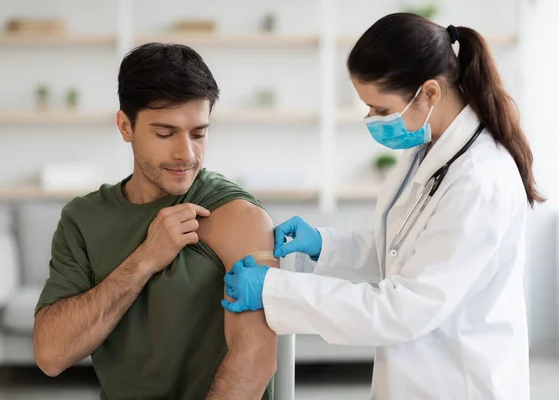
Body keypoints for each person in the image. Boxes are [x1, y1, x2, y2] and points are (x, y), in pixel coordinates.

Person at [222, 13, 543, 400]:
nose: (372, 120)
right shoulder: (427, 150)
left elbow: (403, 308)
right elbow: (403, 251)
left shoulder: (480, 179)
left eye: (379, 109)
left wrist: (277, 290)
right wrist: (325, 246)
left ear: (429, 93)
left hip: (460, 383)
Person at [33, 43, 279, 400]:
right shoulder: (82, 219)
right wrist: (145, 259)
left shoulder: (237, 215)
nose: (186, 154)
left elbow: (255, 359)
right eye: (165, 133)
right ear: (125, 126)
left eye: (198, 133)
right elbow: (50, 355)